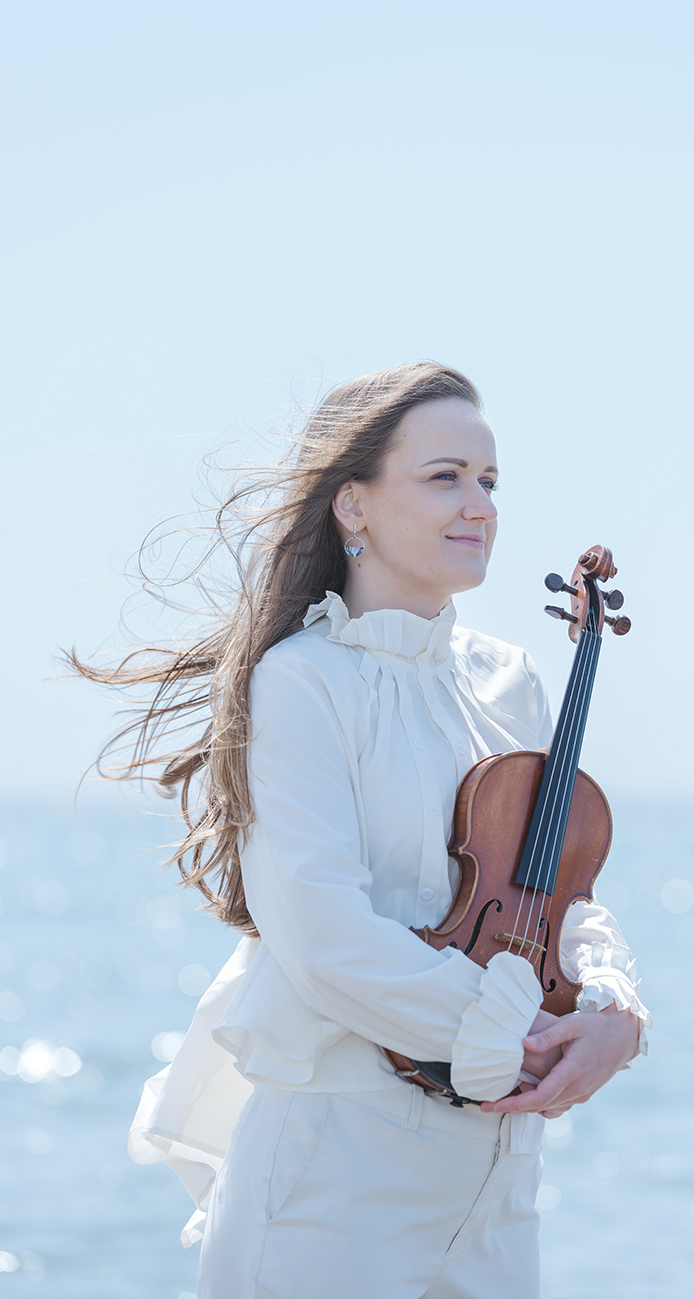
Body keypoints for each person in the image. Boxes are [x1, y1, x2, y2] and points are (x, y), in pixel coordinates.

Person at [78, 362, 650, 1299]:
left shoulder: (511, 683)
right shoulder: (304, 681)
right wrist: (517, 1037)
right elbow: (326, 941)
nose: (479, 504)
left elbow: (562, 895)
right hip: (335, 1180)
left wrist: (614, 1015)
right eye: (444, 476)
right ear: (353, 505)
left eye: (490, 481)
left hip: (500, 1185)